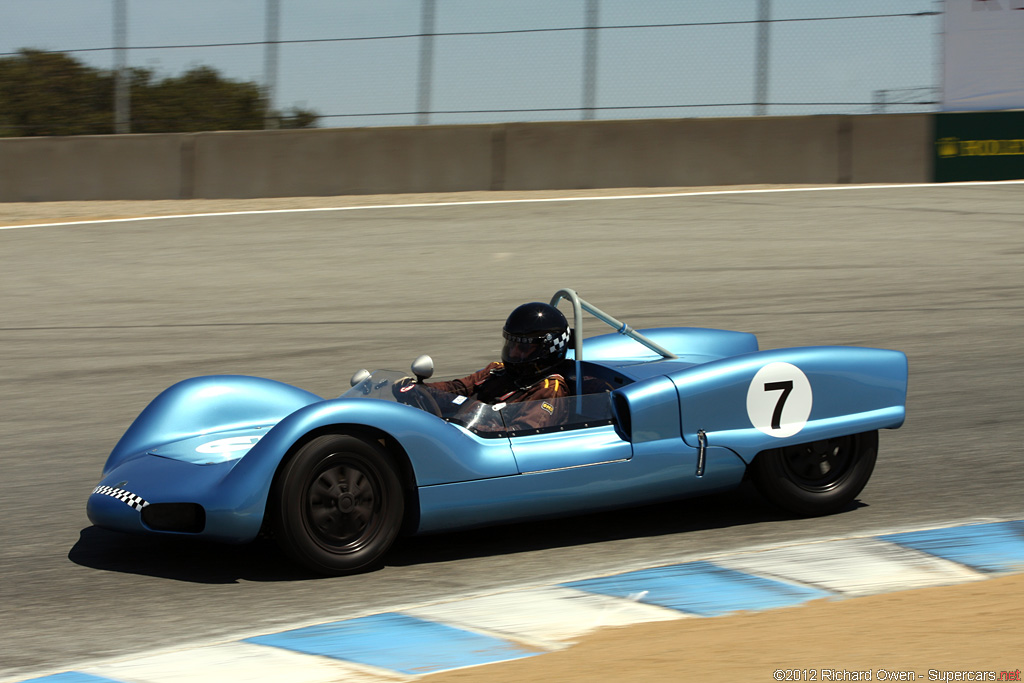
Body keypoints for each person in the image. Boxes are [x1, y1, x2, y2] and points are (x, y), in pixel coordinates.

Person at [418, 301, 573, 430]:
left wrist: (474, 426)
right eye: (511, 344)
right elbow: (458, 388)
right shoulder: (497, 370)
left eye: (523, 348)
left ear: (548, 350)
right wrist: (419, 389)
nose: (513, 353)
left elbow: (523, 433)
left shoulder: (548, 389)